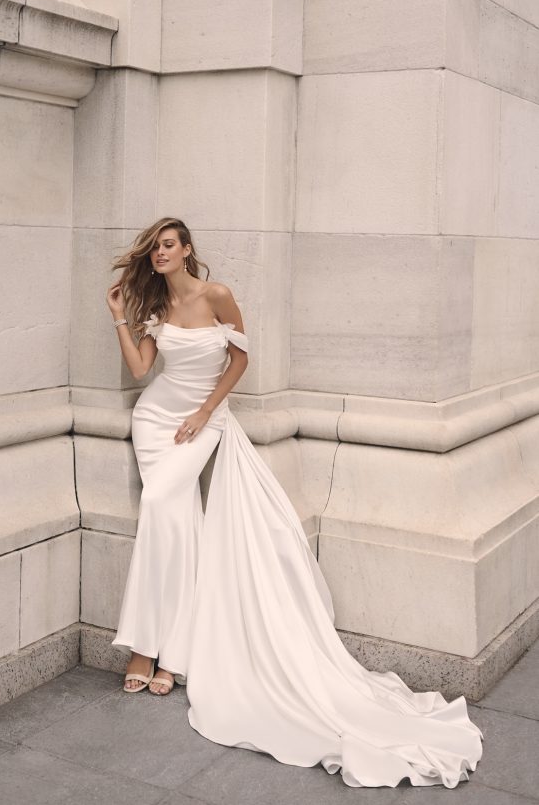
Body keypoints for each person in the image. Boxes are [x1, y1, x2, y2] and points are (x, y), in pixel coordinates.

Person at [105, 217, 483, 788]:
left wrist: (207, 413)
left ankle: (154, 647)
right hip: (155, 422)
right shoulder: (156, 306)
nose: (159, 253)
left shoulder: (218, 295)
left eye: (168, 245)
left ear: (186, 250)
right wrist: (119, 317)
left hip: (201, 423)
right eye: (153, 246)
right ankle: (163, 651)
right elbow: (140, 370)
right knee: (174, 521)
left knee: (160, 506)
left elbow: (239, 362)